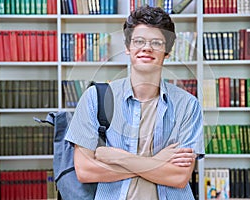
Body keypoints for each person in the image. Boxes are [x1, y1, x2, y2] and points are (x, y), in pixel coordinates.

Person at [65, 5, 204, 200]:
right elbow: (85, 171)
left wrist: (118, 158)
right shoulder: (95, 98)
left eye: (156, 42)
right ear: (128, 48)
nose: (147, 48)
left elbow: (179, 176)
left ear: (167, 51)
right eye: (139, 41)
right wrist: (157, 162)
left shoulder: (188, 105)